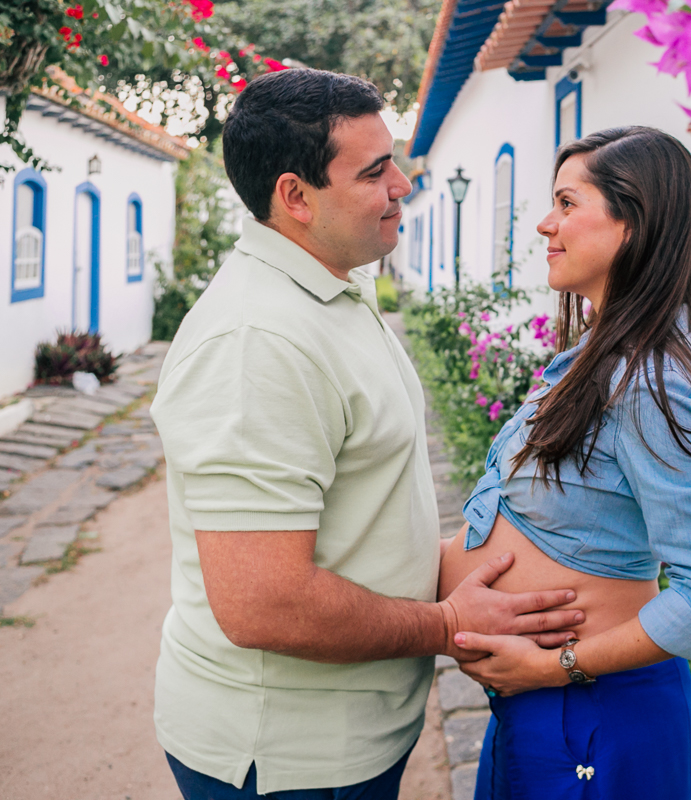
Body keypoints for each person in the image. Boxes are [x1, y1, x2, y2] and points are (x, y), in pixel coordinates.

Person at [149, 69, 583, 800]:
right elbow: (263, 602)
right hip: (288, 759)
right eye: (376, 171)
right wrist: (447, 624)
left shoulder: (332, 282)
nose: (403, 185)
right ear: (295, 197)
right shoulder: (257, 343)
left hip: (347, 735)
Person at [437, 126, 691, 798]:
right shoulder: (591, 362)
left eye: (566, 203)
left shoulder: (644, 384)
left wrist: (555, 665)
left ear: (631, 225)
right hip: (543, 709)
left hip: (590, 713)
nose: (544, 225)